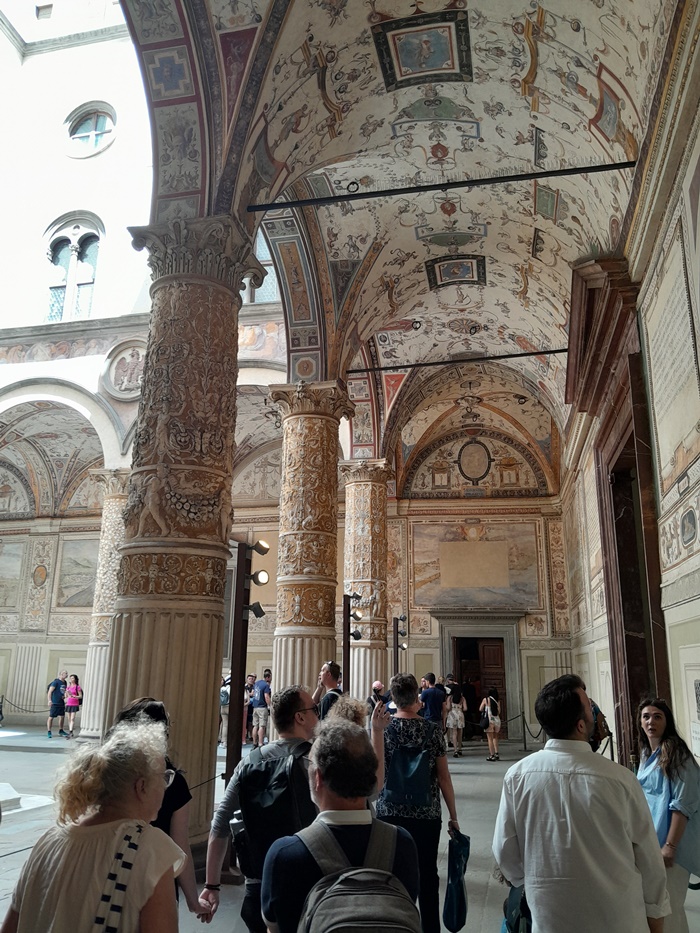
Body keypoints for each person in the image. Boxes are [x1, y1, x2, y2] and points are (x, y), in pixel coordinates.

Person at [493, 674, 670, 933]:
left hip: (551, 919)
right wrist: (655, 917)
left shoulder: (517, 776)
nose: (594, 712)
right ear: (580, 725)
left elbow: (504, 850)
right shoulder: (620, 780)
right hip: (619, 920)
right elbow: (649, 861)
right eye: (589, 706)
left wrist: (537, 879)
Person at [0, 719, 185, 933]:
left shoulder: (48, 842)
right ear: (141, 787)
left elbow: (9, 928)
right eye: (164, 777)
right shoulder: (151, 849)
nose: (165, 787)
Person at [261, 718, 420, 933]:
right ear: (372, 776)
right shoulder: (402, 845)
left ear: (318, 777)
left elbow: (274, 928)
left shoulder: (284, 855)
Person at [200, 685, 319, 932]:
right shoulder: (316, 762)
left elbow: (220, 824)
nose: (317, 714)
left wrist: (211, 885)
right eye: (314, 709)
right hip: (307, 882)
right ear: (300, 717)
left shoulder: (249, 762)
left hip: (259, 884)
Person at [111, 697, 210, 922]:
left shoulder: (107, 778)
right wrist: (193, 901)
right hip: (156, 879)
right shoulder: (174, 784)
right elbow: (180, 844)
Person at [376, 672, 459, 933]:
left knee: (392, 874)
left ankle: (396, 925)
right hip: (426, 812)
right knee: (428, 875)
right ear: (416, 695)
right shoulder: (432, 730)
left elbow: (377, 775)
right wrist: (453, 816)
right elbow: (443, 777)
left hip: (390, 812)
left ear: (394, 697)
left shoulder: (384, 730)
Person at [637, 696, 700, 933]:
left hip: (673, 846)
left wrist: (670, 846)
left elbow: (682, 804)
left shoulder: (677, 754)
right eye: (646, 717)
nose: (651, 721)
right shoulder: (647, 753)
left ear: (667, 721)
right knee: (662, 911)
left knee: (669, 910)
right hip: (653, 841)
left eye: (657, 717)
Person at [445, 675, 466, 758]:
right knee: (460, 732)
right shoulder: (462, 698)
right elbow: (465, 708)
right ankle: (460, 748)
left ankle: (455, 750)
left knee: (454, 733)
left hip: (452, 714)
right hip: (460, 714)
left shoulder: (450, 698)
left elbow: (448, 708)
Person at [251, 669, 272, 747]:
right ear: (268, 677)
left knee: (255, 726)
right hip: (262, 707)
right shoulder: (266, 685)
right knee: (262, 726)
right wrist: (270, 705)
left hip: (255, 707)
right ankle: (260, 743)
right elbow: (266, 697)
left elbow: (253, 693)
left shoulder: (256, 683)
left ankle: (254, 743)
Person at [479, 686, 501, 760]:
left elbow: (480, 708)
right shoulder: (497, 700)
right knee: (495, 737)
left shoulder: (486, 700)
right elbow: (499, 711)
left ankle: (492, 755)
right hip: (497, 720)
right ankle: (497, 753)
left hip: (489, 720)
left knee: (490, 739)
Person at [46, 669, 68, 738]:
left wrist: (65, 697)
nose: (66, 675)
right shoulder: (55, 682)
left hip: (61, 702)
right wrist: (49, 700)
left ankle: (61, 730)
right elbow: (50, 692)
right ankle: (49, 731)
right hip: (55, 702)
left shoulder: (65, 682)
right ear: (61, 674)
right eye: (65, 673)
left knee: (62, 716)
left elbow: (64, 691)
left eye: (66, 673)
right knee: (51, 717)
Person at [219, 675, 230, 747]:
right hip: (228, 706)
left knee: (224, 725)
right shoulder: (227, 688)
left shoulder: (220, 689)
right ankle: (227, 741)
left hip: (222, 707)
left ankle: (223, 741)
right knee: (228, 725)